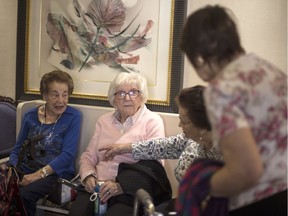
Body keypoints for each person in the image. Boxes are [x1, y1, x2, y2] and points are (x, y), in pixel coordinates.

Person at [179, 5, 287, 216]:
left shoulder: (222, 90)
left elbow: (245, 171)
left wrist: (198, 186)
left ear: (200, 56)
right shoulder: (270, 72)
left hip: (257, 200)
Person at [69, 71, 171, 216]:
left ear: (142, 97)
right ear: (113, 99)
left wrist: (121, 185)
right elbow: (88, 156)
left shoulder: (152, 121)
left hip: (128, 191)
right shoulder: (103, 121)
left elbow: (155, 166)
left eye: (133, 92)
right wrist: (88, 177)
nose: (127, 98)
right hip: (98, 186)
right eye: (121, 93)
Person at [101, 85, 222, 182]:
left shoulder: (228, 152)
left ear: (201, 126)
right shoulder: (190, 140)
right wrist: (124, 148)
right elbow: (162, 146)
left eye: (184, 122)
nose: (179, 125)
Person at [7, 70, 82, 216]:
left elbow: (68, 155)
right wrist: (13, 171)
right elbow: (17, 149)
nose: (61, 100)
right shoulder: (30, 116)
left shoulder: (73, 117)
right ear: (44, 96)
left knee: (24, 194)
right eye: (55, 95)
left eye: (65, 94)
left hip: (55, 174)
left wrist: (36, 176)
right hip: (26, 169)